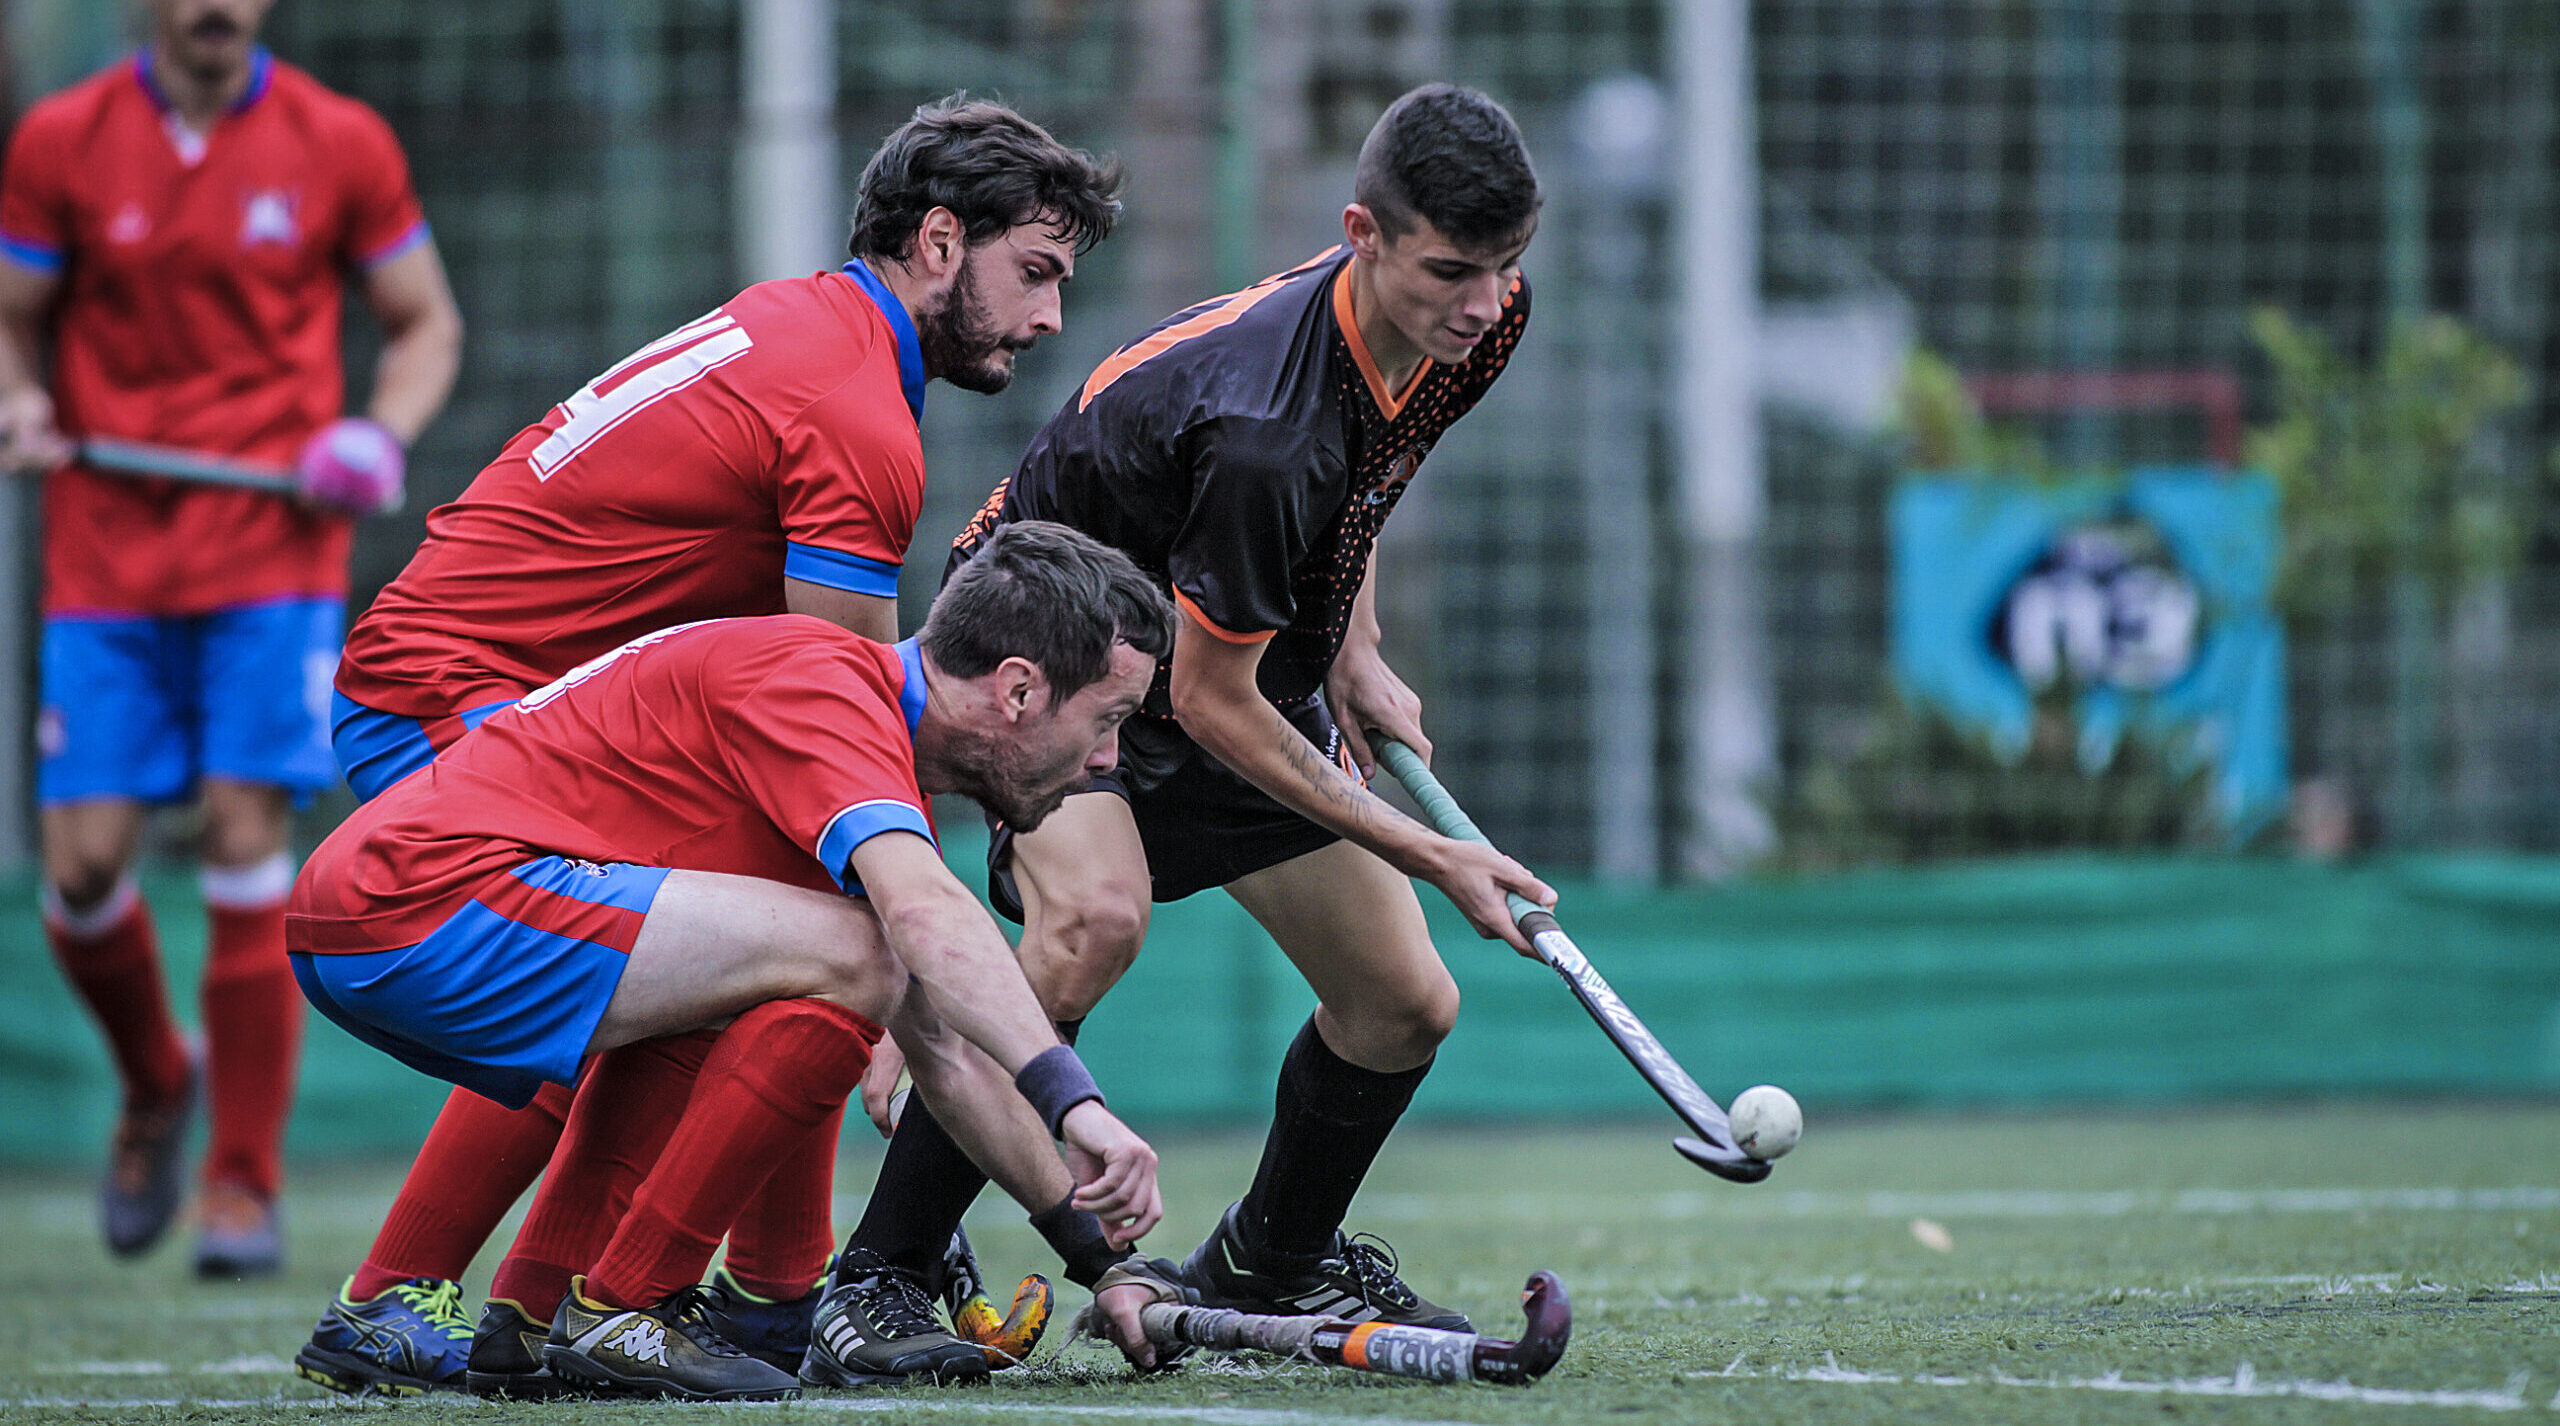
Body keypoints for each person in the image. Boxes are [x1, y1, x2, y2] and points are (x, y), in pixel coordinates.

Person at [290, 97, 1123, 1396]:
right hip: (464, 685)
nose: (1050, 319)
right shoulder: (858, 412)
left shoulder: (814, 327)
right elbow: (863, 753)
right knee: (745, 938)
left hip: (457, 660)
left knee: (724, 946)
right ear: (942, 242)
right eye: (1037, 273)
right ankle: (660, 1298)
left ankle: (659, 1302)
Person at [803, 83, 1553, 1382]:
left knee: (1403, 1002)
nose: (1482, 303)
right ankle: (880, 1271)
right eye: (1450, 270)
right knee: (1091, 920)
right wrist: (1440, 856)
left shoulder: (1475, 325)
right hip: (1074, 663)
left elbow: (1369, 471)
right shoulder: (1262, 423)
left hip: (1231, 649)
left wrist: (1359, 648)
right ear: (1360, 233)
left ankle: (1277, 1256)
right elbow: (1207, 701)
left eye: (1502, 269)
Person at [286, 521, 1174, 1402]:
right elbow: (917, 928)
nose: (1107, 760)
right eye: (1108, 720)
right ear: (1018, 690)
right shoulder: (826, 686)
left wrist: (1100, 1260)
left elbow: (945, 1055)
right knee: (866, 950)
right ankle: (628, 1306)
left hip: (395, 906)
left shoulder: (854, 736)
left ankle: (535, 1312)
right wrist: (1075, 1103)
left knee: (806, 971)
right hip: (414, 903)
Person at [0, 0, 462, 1277]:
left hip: (272, 555)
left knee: (246, 831)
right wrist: (22, 401)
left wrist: (379, 430)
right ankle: (158, 1080)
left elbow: (423, 321)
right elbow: (12, 316)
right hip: (104, 555)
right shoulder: (59, 140)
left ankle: (241, 1188)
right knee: (85, 866)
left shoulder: (339, 140)